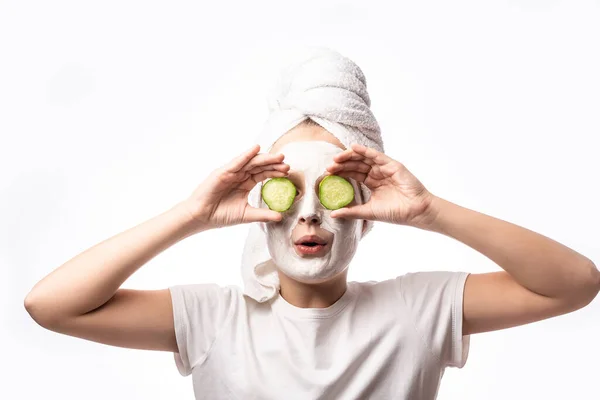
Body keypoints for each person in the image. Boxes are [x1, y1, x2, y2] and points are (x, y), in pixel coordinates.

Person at [24, 51, 599, 400]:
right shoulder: (213, 318)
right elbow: (51, 306)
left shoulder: (420, 308)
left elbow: (574, 283)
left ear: (368, 206)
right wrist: (191, 216)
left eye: (330, 189)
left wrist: (430, 211)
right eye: (286, 189)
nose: (307, 213)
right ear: (258, 204)